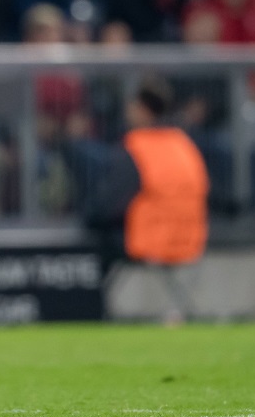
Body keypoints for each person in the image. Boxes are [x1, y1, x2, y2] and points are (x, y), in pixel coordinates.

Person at [79, 78, 209, 323]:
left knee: (94, 242)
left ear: (141, 109)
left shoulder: (137, 147)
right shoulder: (185, 145)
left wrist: (89, 217)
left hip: (149, 239)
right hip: (191, 239)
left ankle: (92, 311)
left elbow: (109, 205)